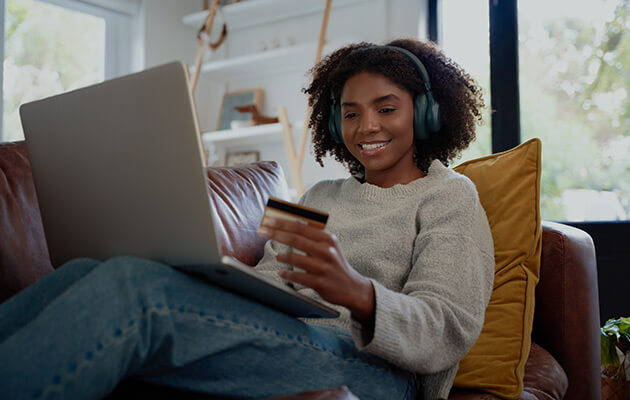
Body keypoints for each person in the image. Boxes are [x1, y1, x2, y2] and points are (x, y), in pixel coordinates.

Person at [0, 38, 494, 400]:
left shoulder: (450, 196)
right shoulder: (315, 194)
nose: (366, 126)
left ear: (427, 114)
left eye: (386, 108)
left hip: (378, 375)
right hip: (281, 339)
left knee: (135, 289)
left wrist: (358, 295)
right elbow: (266, 277)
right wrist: (210, 276)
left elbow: (447, 328)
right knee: (85, 272)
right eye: (349, 113)